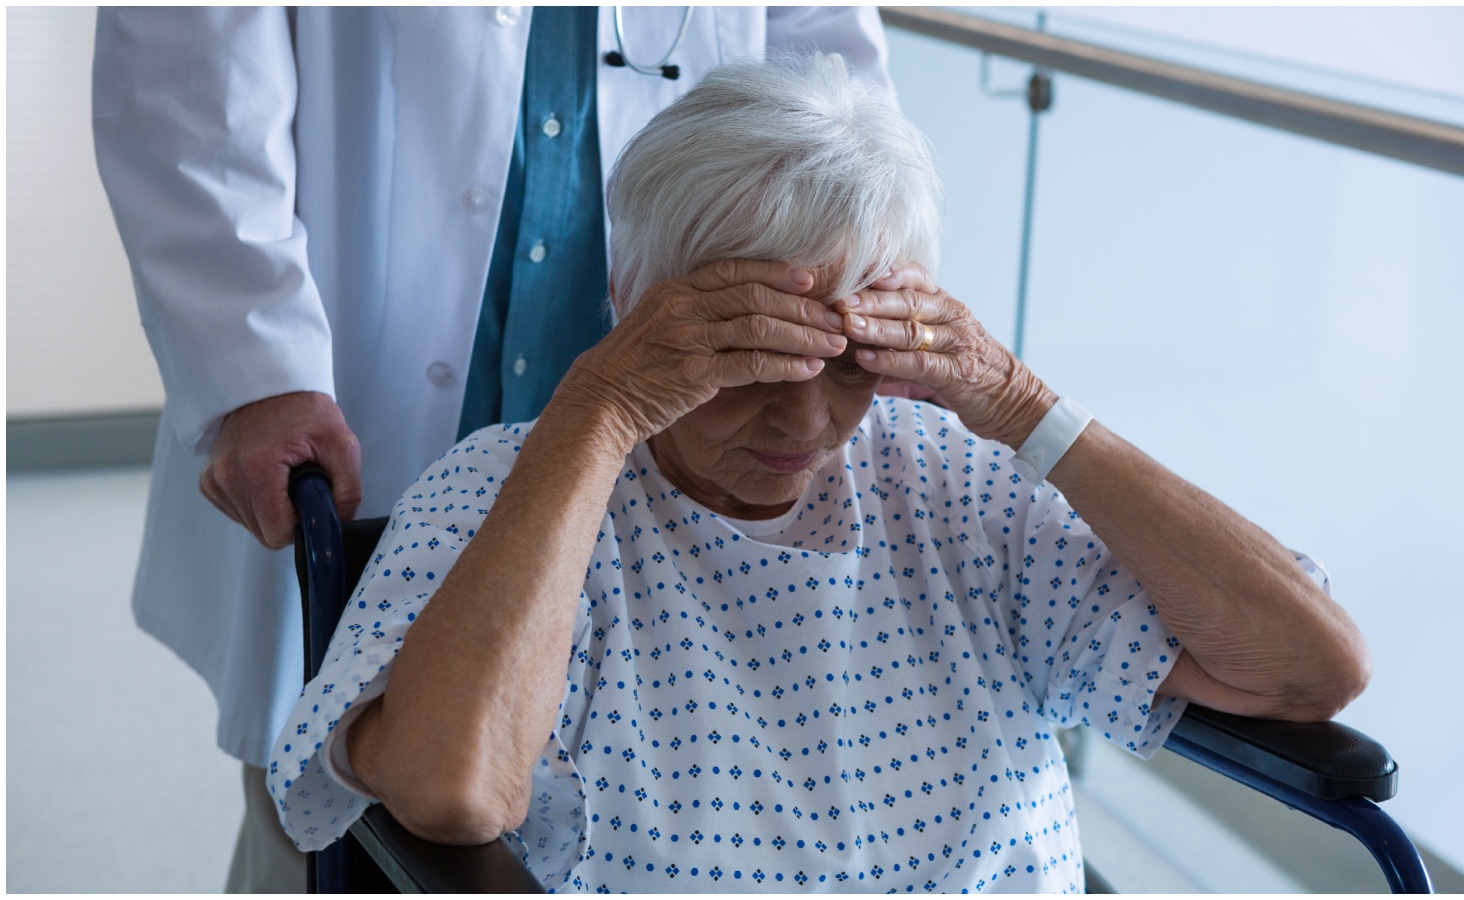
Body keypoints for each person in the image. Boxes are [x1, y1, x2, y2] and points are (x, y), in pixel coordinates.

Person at [268, 54, 1370, 892]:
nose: (804, 417)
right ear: (634, 304)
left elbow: (1309, 668)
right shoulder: (514, 486)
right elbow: (452, 791)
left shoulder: (957, 482)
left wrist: (1028, 410)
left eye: (850, 359)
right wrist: (598, 414)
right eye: (743, 353)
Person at [92, 7, 897, 891]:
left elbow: (828, 65)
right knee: (340, 794)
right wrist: (253, 363)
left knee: (664, 760)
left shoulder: (935, 475)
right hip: (355, 365)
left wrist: (866, 269)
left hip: (680, 390)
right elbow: (189, 64)